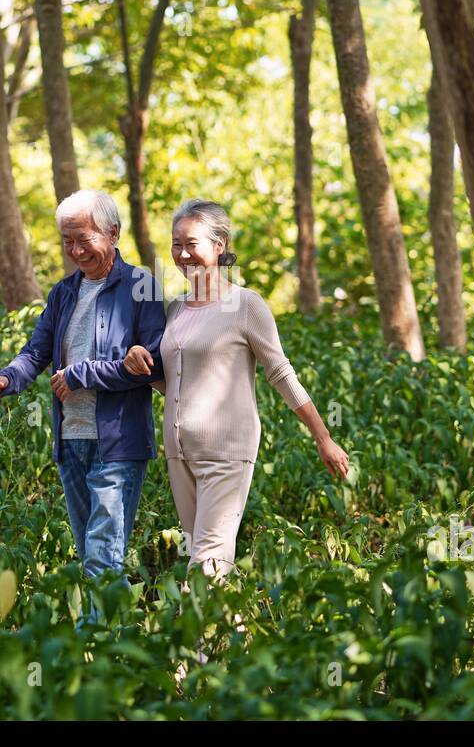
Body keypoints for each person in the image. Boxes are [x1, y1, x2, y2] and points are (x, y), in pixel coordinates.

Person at [124, 198, 349, 578]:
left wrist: (323, 437)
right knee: (204, 556)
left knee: (206, 566)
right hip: (180, 453)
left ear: (220, 245)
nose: (181, 254)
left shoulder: (246, 305)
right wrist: (139, 366)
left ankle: (188, 636)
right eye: (176, 244)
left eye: (191, 244)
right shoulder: (176, 308)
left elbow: (281, 373)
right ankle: (233, 635)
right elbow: (177, 384)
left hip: (227, 452)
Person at [0, 190, 165, 585]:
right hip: (71, 440)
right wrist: (8, 377)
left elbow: (151, 365)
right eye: (68, 240)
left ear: (113, 233)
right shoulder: (63, 292)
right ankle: (115, 639)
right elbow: (36, 351)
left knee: (103, 559)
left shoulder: (142, 286)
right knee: (92, 556)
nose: (76, 250)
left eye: (84, 239)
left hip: (119, 443)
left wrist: (81, 374)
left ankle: (96, 644)